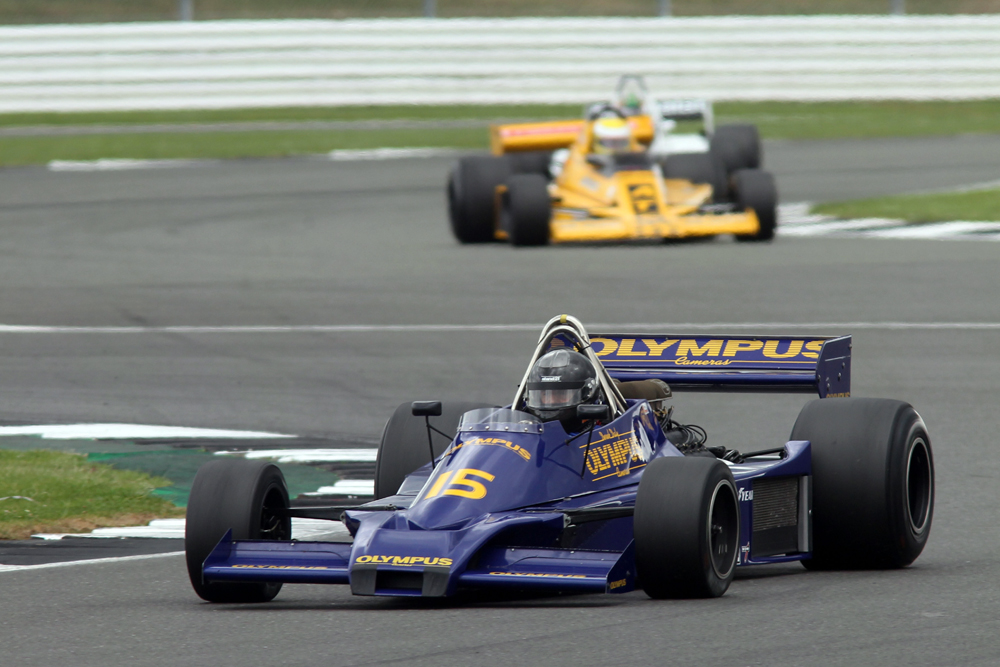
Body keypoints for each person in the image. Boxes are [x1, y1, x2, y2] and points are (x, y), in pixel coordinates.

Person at [524, 348, 602, 432]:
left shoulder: (603, 434)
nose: (551, 401)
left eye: (562, 394)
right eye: (545, 394)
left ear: (587, 394)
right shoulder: (524, 427)